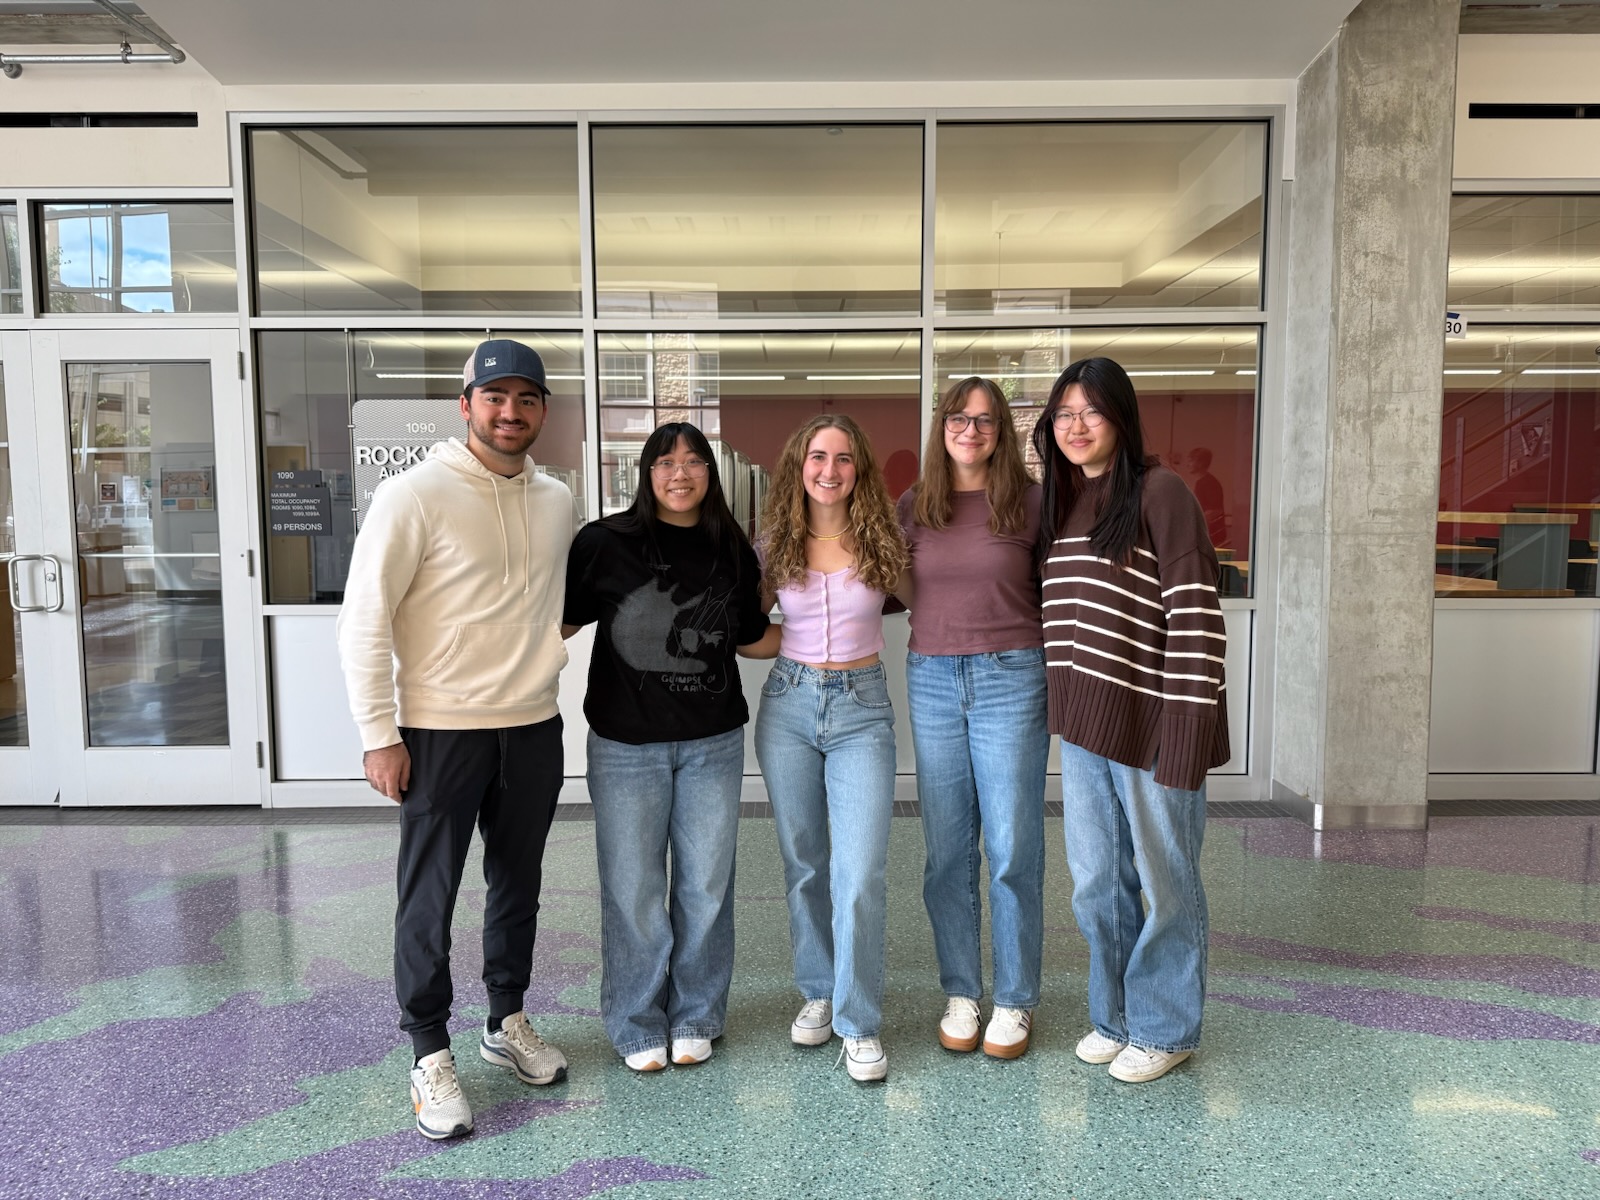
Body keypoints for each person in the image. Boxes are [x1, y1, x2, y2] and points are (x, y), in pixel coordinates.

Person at [336, 338, 574, 1140]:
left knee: (518, 884)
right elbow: (363, 619)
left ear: (543, 411)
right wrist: (379, 733)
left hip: (534, 725)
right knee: (429, 896)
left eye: (527, 399)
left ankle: (505, 1021)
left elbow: (546, 600)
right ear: (465, 405)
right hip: (439, 733)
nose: (511, 412)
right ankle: (429, 1051)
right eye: (495, 397)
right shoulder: (413, 496)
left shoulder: (556, 500)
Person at [1033, 356, 1230, 1084]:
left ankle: (1166, 1026)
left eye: (1090, 412)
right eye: (1063, 414)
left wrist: (1186, 732)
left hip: (1154, 728)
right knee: (1096, 884)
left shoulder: (1162, 491)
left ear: (1121, 417)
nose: (1075, 427)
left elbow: (1197, 618)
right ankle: (1114, 1016)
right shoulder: (1063, 501)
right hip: (1088, 730)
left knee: (1165, 880)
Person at [562, 422, 778, 1074]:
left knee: (706, 887)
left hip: (711, 742)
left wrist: (828, 632)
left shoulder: (727, 545)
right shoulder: (604, 542)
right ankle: (635, 1022)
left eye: (693, 461)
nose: (679, 473)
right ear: (646, 473)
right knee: (633, 889)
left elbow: (749, 636)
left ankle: (696, 1016)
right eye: (665, 461)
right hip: (626, 746)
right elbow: (559, 626)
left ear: (710, 473)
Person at [753, 414, 908, 1083]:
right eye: (818, 456)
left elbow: (933, 602)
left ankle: (859, 1021)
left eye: (844, 458)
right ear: (800, 463)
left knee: (861, 872)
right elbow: (745, 620)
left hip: (861, 709)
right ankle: (819, 990)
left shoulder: (885, 539)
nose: (830, 470)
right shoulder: (773, 541)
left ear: (860, 470)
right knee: (806, 864)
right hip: (787, 704)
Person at [897, 377, 1048, 1060]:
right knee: (947, 850)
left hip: (1011, 676)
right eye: (960, 417)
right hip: (932, 678)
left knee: (1013, 847)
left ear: (1002, 433)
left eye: (986, 420)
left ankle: (1015, 1000)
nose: (972, 429)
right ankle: (963, 989)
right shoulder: (914, 506)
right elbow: (892, 585)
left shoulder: (1032, 504)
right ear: (942, 426)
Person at [1185, 446, 1229, 551]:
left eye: (1191, 461)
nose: (1187, 464)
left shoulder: (1209, 483)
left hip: (1211, 536)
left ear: (1201, 463)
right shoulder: (1200, 482)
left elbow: (1215, 511)